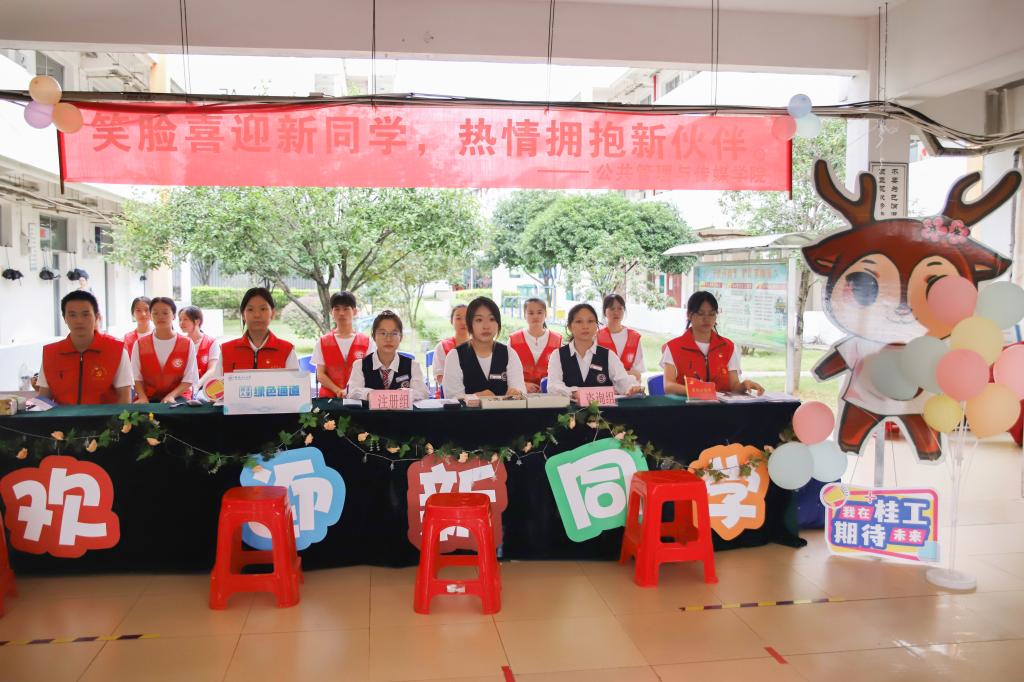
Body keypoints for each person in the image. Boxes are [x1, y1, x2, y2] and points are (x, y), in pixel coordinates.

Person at [37, 291, 133, 405]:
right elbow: (43, 399)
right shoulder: (51, 354)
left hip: (105, 417)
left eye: (85, 314)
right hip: (62, 417)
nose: (79, 321)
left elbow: (124, 397)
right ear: (64, 318)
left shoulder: (116, 352)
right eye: (72, 315)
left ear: (96, 317)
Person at [662, 291, 764, 395]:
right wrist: (701, 392)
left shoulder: (728, 347)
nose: (707, 319)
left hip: (721, 405)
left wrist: (744, 385)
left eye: (712, 314)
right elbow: (668, 386)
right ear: (689, 315)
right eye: (700, 313)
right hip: (687, 404)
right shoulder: (673, 347)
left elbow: (734, 386)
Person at [547, 303, 643, 398]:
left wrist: (632, 388)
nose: (585, 326)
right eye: (579, 321)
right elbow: (553, 385)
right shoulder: (557, 355)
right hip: (569, 408)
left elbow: (623, 381)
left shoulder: (608, 355)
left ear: (597, 325)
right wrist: (574, 393)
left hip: (603, 408)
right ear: (570, 327)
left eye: (590, 321)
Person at [442, 296, 526, 400]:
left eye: (492, 319)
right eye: (479, 320)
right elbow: (452, 398)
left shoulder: (509, 354)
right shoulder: (455, 356)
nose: (486, 326)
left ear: (498, 324)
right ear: (469, 324)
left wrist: (517, 393)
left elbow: (521, 391)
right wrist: (476, 397)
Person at [209, 287, 298, 377]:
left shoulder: (287, 351)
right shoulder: (227, 351)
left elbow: (296, 384)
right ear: (243, 315)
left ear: (273, 313)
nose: (257, 315)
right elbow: (217, 384)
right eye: (250, 309)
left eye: (263, 309)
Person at [346, 310, 428, 401]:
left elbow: (423, 393)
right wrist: (371, 394)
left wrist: (402, 394)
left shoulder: (413, 366)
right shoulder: (360, 365)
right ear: (374, 336)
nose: (388, 339)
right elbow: (352, 392)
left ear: (401, 337)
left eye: (394, 333)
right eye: (383, 333)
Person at [132, 297, 199, 403]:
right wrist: (142, 397)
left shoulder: (187, 343)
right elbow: (135, 377)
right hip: (148, 396)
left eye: (165, 313)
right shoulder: (140, 344)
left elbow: (189, 378)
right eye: (155, 313)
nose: (160, 317)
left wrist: (172, 395)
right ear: (151, 316)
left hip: (178, 396)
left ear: (174, 315)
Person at [313, 291, 374, 398]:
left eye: (346, 309)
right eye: (337, 309)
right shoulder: (322, 342)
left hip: (358, 398)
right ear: (331, 312)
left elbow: (370, 373)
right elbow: (320, 374)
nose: (341, 313)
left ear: (354, 311)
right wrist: (337, 390)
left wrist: (352, 391)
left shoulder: (367, 342)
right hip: (329, 399)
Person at [508, 297, 562, 393]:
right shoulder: (513, 340)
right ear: (524, 315)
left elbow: (562, 371)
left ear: (545, 314)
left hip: (550, 395)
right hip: (520, 394)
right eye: (531, 313)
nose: (535, 316)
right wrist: (523, 385)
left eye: (539, 312)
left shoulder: (557, 340)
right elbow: (506, 371)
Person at [597, 294, 645, 382]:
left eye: (620, 308)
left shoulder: (634, 337)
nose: (616, 312)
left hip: (630, 387)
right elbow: (595, 369)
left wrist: (615, 375)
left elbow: (637, 373)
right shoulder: (597, 336)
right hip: (605, 386)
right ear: (604, 312)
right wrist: (625, 374)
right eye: (612, 308)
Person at [431, 304, 470, 394]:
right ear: (451, 321)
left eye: (467, 318)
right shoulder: (443, 346)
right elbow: (440, 377)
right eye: (458, 318)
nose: (463, 322)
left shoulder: (480, 345)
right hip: (450, 395)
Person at [178, 305, 219, 380]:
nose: (181, 323)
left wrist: (198, 384)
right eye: (180, 319)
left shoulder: (211, 342)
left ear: (197, 321)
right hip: (183, 385)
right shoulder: (179, 342)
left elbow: (212, 369)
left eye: (185, 319)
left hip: (203, 384)